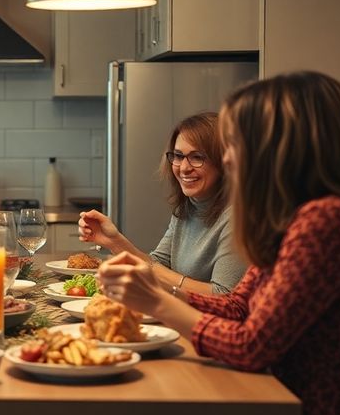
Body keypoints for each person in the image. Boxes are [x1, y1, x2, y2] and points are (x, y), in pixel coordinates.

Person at [96, 72, 340, 415]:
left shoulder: (330, 222)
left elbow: (249, 346)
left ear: (284, 148)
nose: (227, 159)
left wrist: (156, 300)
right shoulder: (295, 218)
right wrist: (154, 291)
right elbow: (238, 306)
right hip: (274, 400)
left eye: (236, 142)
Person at [79, 112, 247, 295]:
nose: (184, 167)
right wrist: (114, 241)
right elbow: (157, 264)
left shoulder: (238, 218)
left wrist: (153, 271)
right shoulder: (187, 208)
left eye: (197, 157)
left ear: (224, 162)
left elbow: (222, 295)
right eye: (178, 156)